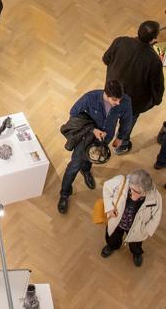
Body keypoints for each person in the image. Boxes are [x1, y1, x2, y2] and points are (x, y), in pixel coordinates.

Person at [57, 80, 132, 214]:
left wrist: (120, 137)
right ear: (106, 94)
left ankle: (86, 170)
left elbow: (127, 120)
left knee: (91, 159)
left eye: (120, 99)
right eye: (115, 100)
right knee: (74, 166)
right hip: (86, 138)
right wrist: (92, 130)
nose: (118, 103)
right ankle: (64, 193)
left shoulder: (125, 101)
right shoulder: (90, 98)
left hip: (105, 138)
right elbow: (74, 113)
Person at [102, 21, 164, 155]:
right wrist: (156, 100)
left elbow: (106, 59)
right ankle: (121, 145)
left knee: (108, 117)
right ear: (154, 39)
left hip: (112, 93)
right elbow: (157, 86)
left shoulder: (120, 41)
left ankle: (101, 142)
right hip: (134, 103)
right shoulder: (154, 61)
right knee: (127, 124)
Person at [101, 170, 162, 267]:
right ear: (130, 183)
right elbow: (106, 188)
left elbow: (156, 215)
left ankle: (136, 253)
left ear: (147, 191)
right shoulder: (121, 181)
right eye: (132, 190)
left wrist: (146, 230)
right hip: (117, 221)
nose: (134, 195)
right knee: (112, 237)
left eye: (139, 193)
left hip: (137, 227)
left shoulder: (155, 197)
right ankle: (112, 246)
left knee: (136, 244)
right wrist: (109, 208)